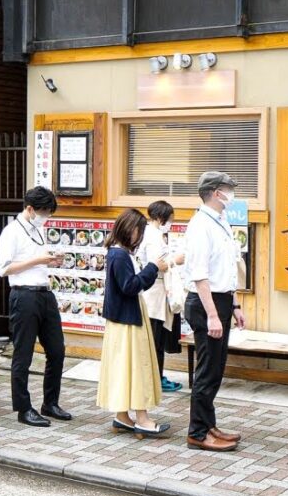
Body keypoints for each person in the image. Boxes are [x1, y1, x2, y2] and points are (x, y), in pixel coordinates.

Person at [0, 186, 71, 427]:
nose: (46, 216)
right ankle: (23, 408)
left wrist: (51, 259)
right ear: (29, 209)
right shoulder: (11, 232)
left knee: (57, 351)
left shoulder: (39, 230)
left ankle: (50, 402)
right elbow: (3, 268)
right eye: (44, 211)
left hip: (44, 293)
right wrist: (39, 259)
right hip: (24, 295)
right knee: (23, 354)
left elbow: (37, 262)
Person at [183, 171, 246, 452]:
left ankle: (208, 425)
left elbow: (227, 269)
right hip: (204, 303)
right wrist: (212, 314)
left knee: (217, 369)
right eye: (227, 188)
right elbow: (200, 274)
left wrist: (233, 306)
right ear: (214, 192)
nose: (231, 193)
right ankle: (197, 432)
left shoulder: (221, 221)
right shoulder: (200, 225)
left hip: (221, 300)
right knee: (207, 370)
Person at [99, 208, 171, 436]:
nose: (139, 238)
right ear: (130, 230)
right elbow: (130, 286)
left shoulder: (116, 252)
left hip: (121, 318)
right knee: (138, 366)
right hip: (128, 318)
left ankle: (123, 416)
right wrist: (153, 267)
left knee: (124, 368)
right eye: (139, 232)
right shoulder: (120, 255)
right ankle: (142, 419)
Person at [137, 200, 184, 393]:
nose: (170, 223)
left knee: (158, 338)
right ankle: (155, 378)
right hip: (154, 293)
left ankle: (157, 375)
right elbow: (157, 265)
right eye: (169, 219)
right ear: (159, 217)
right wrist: (176, 260)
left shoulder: (153, 234)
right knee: (155, 338)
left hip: (158, 291)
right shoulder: (153, 236)